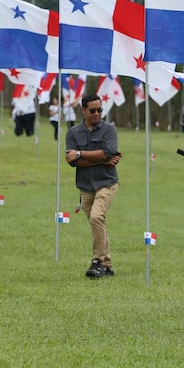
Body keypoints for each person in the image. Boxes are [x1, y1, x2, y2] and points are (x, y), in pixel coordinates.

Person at [65, 94, 122, 279]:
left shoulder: (109, 130)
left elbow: (108, 152)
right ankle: (107, 266)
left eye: (100, 110)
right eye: (92, 110)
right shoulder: (73, 133)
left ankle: (97, 261)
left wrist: (80, 154)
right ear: (83, 110)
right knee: (98, 224)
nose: (97, 113)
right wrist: (102, 160)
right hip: (85, 186)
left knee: (97, 217)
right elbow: (72, 162)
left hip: (107, 183)